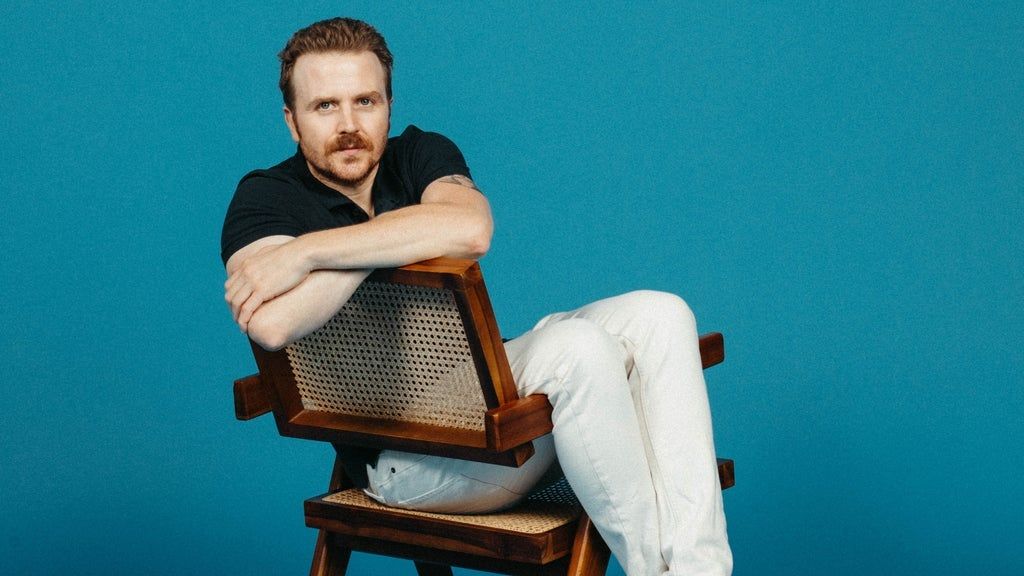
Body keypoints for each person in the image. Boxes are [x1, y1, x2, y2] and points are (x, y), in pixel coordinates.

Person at [221, 17, 732, 576]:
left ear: (388, 106)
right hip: (414, 463)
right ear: (292, 121)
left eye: (365, 101)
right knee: (580, 349)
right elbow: (273, 323)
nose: (349, 124)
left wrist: (307, 254)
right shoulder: (265, 198)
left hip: (492, 412)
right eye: (325, 106)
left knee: (662, 314)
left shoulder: (419, 151)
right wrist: (403, 236)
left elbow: (471, 228)